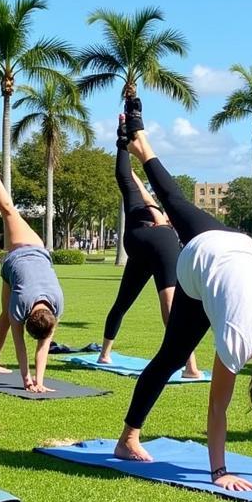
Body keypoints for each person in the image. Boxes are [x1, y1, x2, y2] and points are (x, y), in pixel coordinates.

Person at [114, 102, 252, 492]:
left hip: (237, 246)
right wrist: (219, 472)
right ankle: (127, 438)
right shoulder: (237, 338)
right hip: (199, 262)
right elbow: (217, 408)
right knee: (172, 357)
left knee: (175, 201)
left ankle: (141, 142)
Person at [99, 120, 203, 379]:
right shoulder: (161, 213)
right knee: (172, 306)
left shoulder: (139, 203)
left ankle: (105, 353)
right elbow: (133, 182)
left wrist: (123, 141)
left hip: (135, 242)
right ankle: (190, 366)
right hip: (159, 242)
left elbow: (125, 177)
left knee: (122, 303)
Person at [0, 154, 64, 392]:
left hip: (13, 267)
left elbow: (43, 345)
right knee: (8, 210)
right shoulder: (30, 303)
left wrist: (38, 381)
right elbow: (21, 345)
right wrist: (26, 380)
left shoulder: (53, 309)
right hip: (27, 247)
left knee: (8, 317)